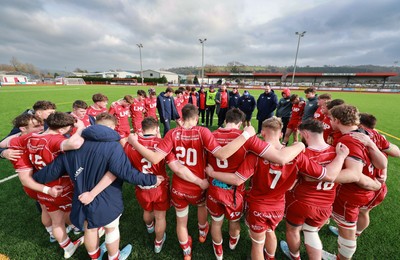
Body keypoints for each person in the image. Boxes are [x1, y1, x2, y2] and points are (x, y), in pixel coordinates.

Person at [205, 116, 348, 260]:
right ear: (281, 134)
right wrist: (341, 157)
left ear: (262, 132)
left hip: (258, 206)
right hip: (279, 205)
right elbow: (327, 175)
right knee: (270, 232)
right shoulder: (297, 156)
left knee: (257, 244)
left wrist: (212, 173)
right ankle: (271, 257)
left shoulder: (255, 155)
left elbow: (237, 179)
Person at [128, 104, 257, 260]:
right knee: (201, 206)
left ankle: (186, 250)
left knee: (181, 221)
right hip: (198, 185)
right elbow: (221, 154)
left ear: (181, 118)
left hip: (178, 187)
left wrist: (133, 142)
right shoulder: (203, 131)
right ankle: (203, 233)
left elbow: (162, 161)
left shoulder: (171, 133)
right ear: (196, 118)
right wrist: (246, 135)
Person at [33, 113, 163, 260]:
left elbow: (49, 173)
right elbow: (126, 173)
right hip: (107, 198)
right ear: (111, 127)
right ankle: (114, 257)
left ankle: (95, 257)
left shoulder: (73, 144)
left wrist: (32, 177)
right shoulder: (113, 146)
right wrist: (151, 179)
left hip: (81, 197)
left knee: (90, 228)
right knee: (111, 228)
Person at [5, 112, 86, 258]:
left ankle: (67, 247)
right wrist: (81, 127)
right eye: (68, 128)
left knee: (56, 221)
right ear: (61, 129)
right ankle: (86, 230)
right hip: (61, 187)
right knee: (74, 212)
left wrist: (4, 152)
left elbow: (5, 143)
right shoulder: (55, 140)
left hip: (41, 187)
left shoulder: (29, 137)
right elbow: (75, 143)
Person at [280, 119, 350, 260]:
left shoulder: (303, 155)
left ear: (305, 133)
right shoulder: (338, 153)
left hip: (300, 201)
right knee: (311, 231)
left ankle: (295, 256)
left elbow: (290, 183)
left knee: (293, 230)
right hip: (325, 204)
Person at [325, 104, 387, 260]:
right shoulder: (368, 133)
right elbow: (384, 162)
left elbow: (353, 174)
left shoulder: (348, 139)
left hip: (352, 192)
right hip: (368, 189)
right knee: (351, 225)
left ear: (337, 120)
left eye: (331, 119)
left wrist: (318, 176)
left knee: (347, 231)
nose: (330, 122)